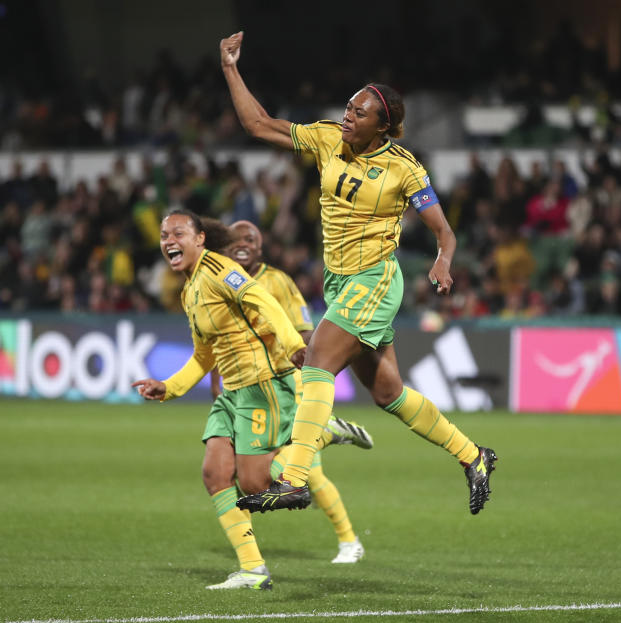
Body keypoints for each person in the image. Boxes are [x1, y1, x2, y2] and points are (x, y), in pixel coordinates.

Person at [218, 31, 497, 516]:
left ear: (382, 126)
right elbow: (258, 124)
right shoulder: (328, 138)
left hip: (375, 280)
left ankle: (294, 478)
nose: (347, 116)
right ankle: (474, 456)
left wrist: (442, 260)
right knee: (388, 392)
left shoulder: (403, 168)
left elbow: (444, 232)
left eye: (358, 113)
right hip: (341, 283)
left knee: (317, 362)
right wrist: (229, 68)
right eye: (348, 108)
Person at [131, 212, 357, 592]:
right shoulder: (189, 290)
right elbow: (205, 354)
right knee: (214, 474)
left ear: (200, 238)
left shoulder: (221, 269)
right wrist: (168, 388)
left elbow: (264, 301)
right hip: (230, 395)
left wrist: (291, 345)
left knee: (254, 485)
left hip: (261, 385)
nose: (169, 239)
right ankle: (253, 569)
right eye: (164, 234)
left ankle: (320, 432)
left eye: (179, 232)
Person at [215, 219, 374, 563]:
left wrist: (302, 380)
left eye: (251, 238)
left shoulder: (278, 282)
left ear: (260, 248)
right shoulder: (220, 284)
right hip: (248, 393)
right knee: (253, 477)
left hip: (286, 383)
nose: (242, 242)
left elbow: (304, 333)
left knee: (307, 472)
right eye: (235, 239)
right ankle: (327, 433)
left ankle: (349, 542)